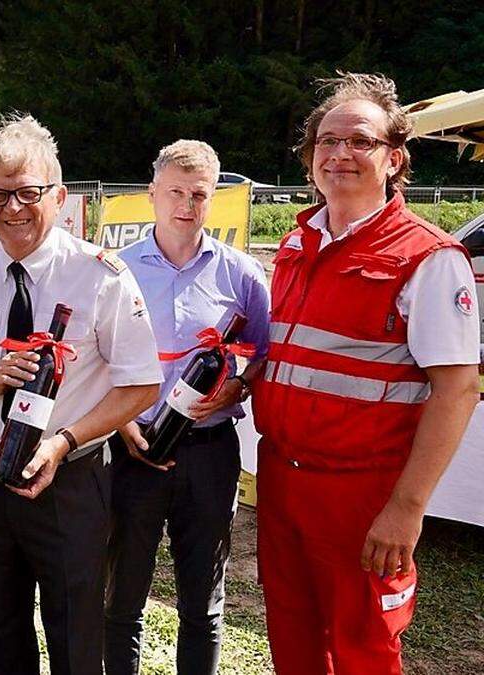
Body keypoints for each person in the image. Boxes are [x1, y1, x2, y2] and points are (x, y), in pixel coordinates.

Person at [0, 114, 162, 675]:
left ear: (60, 195)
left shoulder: (101, 275)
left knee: (76, 632)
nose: (13, 209)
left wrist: (64, 441)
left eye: (29, 192)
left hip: (70, 479)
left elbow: (142, 383)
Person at [254, 72, 479, 674]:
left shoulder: (428, 259)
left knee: (363, 648)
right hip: (281, 479)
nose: (340, 154)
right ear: (309, 158)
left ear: (394, 158)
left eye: (360, 141)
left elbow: (458, 390)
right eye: (327, 141)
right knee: (292, 638)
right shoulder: (295, 245)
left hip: (363, 492)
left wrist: (406, 508)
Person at [104, 140, 270, 675]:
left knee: (202, 601)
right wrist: (123, 421)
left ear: (213, 198)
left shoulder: (242, 275)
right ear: (152, 193)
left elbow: (265, 355)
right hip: (133, 448)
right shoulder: (115, 270)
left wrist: (238, 389)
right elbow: (91, 359)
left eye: (199, 194)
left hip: (208, 454)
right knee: (123, 598)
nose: (186, 204)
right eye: (175, 191)